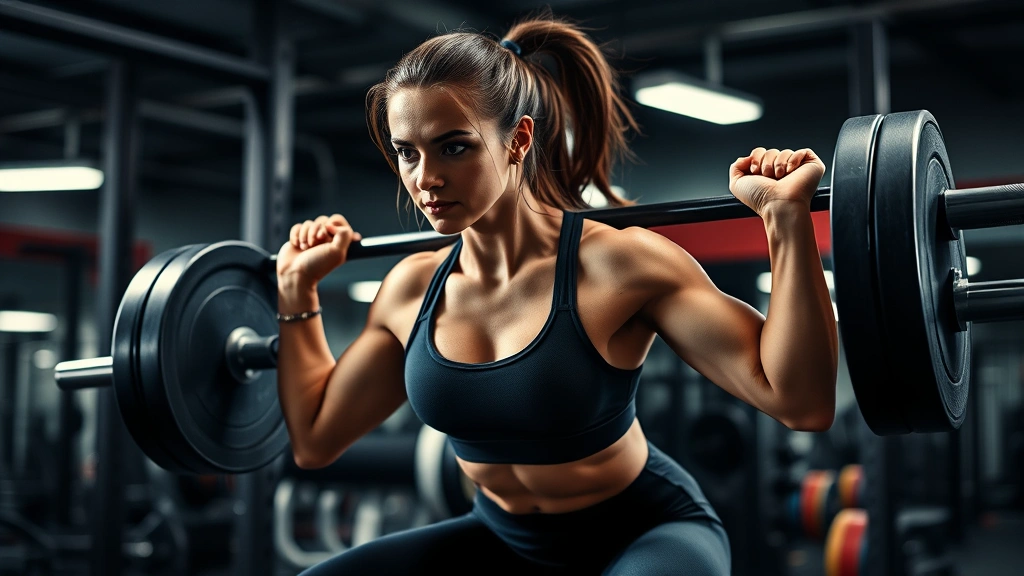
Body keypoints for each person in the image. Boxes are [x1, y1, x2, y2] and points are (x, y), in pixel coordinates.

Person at [274, 13, 838, 576]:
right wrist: (298, 292)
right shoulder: (410, 289)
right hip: (504, 539)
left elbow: (799, 400)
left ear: (518, 139)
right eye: (407, 152)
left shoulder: (617, 264)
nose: (425, 178)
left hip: (642, 533)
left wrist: (786, 220)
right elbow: (317, 439)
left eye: (453, 148)